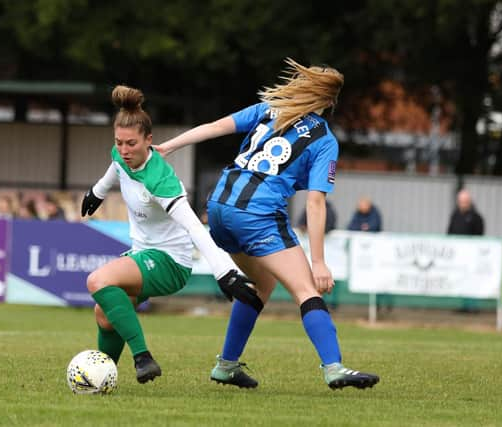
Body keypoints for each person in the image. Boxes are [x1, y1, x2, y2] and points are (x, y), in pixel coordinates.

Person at [157, 58, 379, 390]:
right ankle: (334, 367)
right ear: (331, 102)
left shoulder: (268, 109)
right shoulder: (324, 139)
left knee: (261, 284)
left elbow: (216, 126)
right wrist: (318, 262)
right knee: (305, 289)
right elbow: (316, 203)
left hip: (218, 207)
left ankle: (227, 366)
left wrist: (169, 145)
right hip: (256, 214)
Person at [80, 85, 260, 384]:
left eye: (131, 144)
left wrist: (224, 271)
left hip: (171, 263)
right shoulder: (120, 154)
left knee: (97, 280)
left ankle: (143, 357)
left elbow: (194, 227)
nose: (124, 150)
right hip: (143, 253)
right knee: (104, 313)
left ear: (149, 141)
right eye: (119, 142)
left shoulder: (161, 181)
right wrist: (97, 191)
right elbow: (115, 166)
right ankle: (101, 376)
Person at [447, 189, 484, 313]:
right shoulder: (455, 215)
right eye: (461, 201)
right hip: (458, 255)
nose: (462, 204)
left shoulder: (476, 217)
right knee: (461, 279)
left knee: (473, 279)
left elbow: (480, 235)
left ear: (469, 202)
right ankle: (464, 305)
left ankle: (472, 306)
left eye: (465, 201)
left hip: (472, 255)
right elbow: (449, 232)